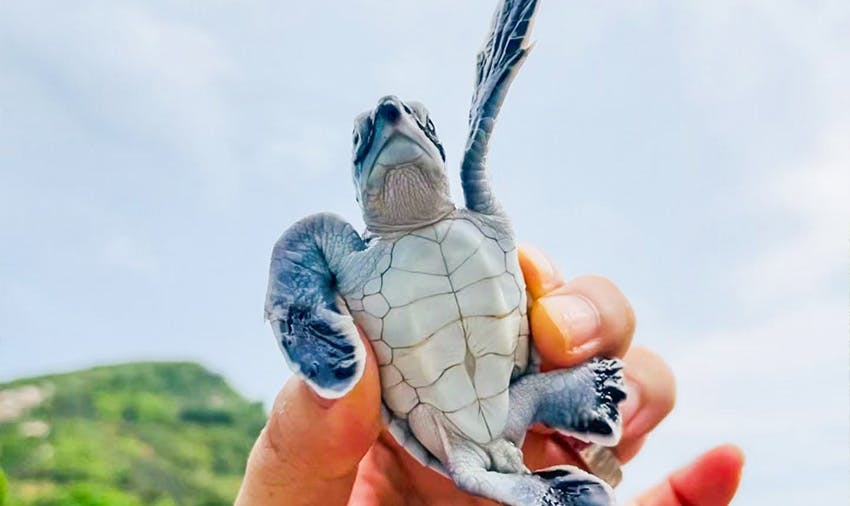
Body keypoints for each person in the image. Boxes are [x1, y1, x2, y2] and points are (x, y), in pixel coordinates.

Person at [236, 246, 744, 505]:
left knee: (545, 363)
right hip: (458, 433)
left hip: (493, 414)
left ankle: (576, 429)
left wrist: (594, 456)